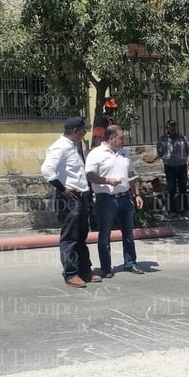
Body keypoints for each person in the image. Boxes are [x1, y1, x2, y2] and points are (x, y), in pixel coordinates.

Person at [40, 116, 102, 288]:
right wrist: (62, 189)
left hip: (80, 197)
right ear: (75, 131)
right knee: (70, 238)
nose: (84, 133)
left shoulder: (74, 146)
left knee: (81, 236)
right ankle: (70, 273)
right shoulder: (60, 147)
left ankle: (84, 271)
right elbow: (47, 170)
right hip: (69, 199)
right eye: (83, 130)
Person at [85, 124, 145, 277]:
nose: (123, 140)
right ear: (111, 138)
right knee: (105, 235)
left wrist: (136, 194)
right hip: (105, 199)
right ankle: (106, 268)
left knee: (128, 233)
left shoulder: (124, 153)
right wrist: (107, 181)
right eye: (121, 138)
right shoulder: (96, 153)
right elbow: (89, 175)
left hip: (124, 198)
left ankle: (131, 263)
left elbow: (131, 174)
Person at [154, 119, 189, 213]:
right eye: (171, 126)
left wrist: (181, 158)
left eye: (174, 126)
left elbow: (187, 150)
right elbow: (159, 152)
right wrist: (167, 159)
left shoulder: (182, 137)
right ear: (167, 128)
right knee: (171, 189)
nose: (173, 128)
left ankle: (184, 209)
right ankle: (172, 210)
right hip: (170, 167)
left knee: (183, 188)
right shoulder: (163, 139)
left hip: (182, 166)